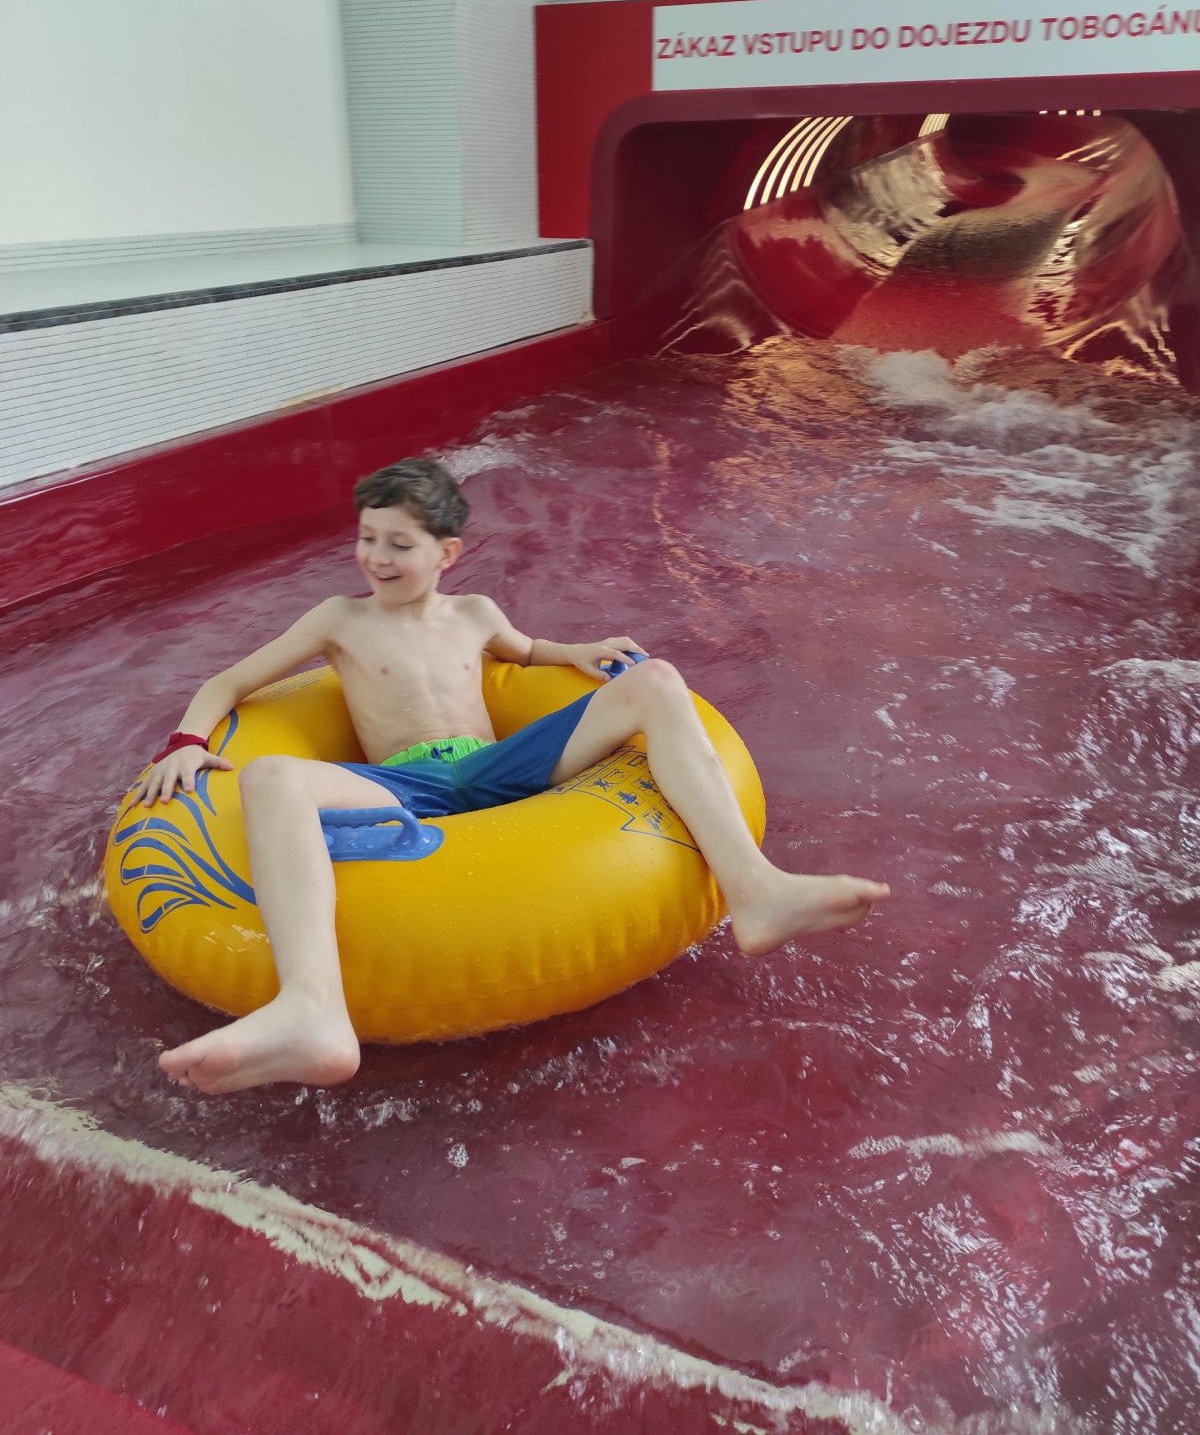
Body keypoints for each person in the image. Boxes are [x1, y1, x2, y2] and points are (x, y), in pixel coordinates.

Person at [135, 457, 888, 1095]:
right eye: (367, 539)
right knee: (271, 775)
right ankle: (313, 1008)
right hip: (407, 783)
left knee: (658, 680)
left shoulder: (476, 613)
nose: (377, 558)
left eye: (399, 543)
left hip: (494, 766)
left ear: (447, 553)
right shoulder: (340, 620)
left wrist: (579, 652)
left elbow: (527, 653)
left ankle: (754, 890)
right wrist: (186, 742)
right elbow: (230, 683)